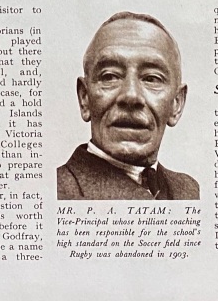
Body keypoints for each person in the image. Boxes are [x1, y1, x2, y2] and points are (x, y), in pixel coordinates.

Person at [57, 11, 199, 199]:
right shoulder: (55, 191)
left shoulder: (190, 191)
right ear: (84, 98)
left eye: (151, 78)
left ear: (177, 104)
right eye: (110, 76)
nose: (131, 96)